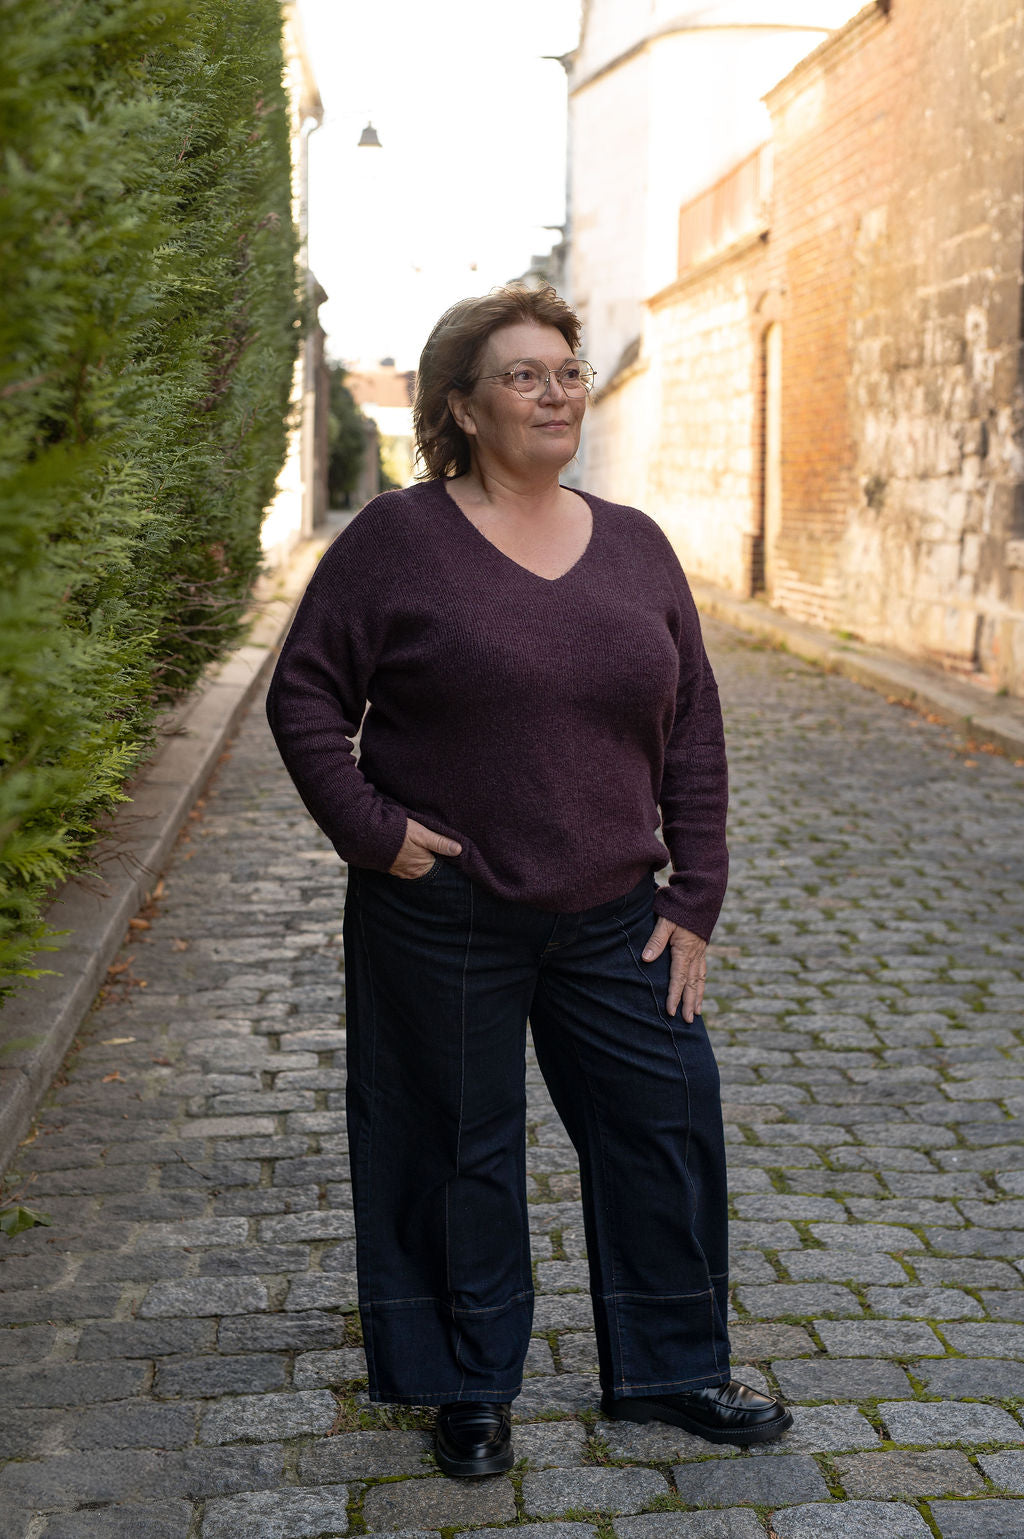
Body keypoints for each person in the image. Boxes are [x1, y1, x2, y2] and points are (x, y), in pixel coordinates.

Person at [266, 284, 793, 1479]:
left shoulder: (637, 545)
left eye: (567, 371)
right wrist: (373, 832)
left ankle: (671, 1370)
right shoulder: (398, 540)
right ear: (463, 406)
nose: (556, 393)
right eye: (523, 375)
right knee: (452, 1146)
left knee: (665, 1122)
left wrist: (695, 894)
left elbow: (693, 724)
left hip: (615, 913)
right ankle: (465, 1382)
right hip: (440, 910)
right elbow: (304, 695)